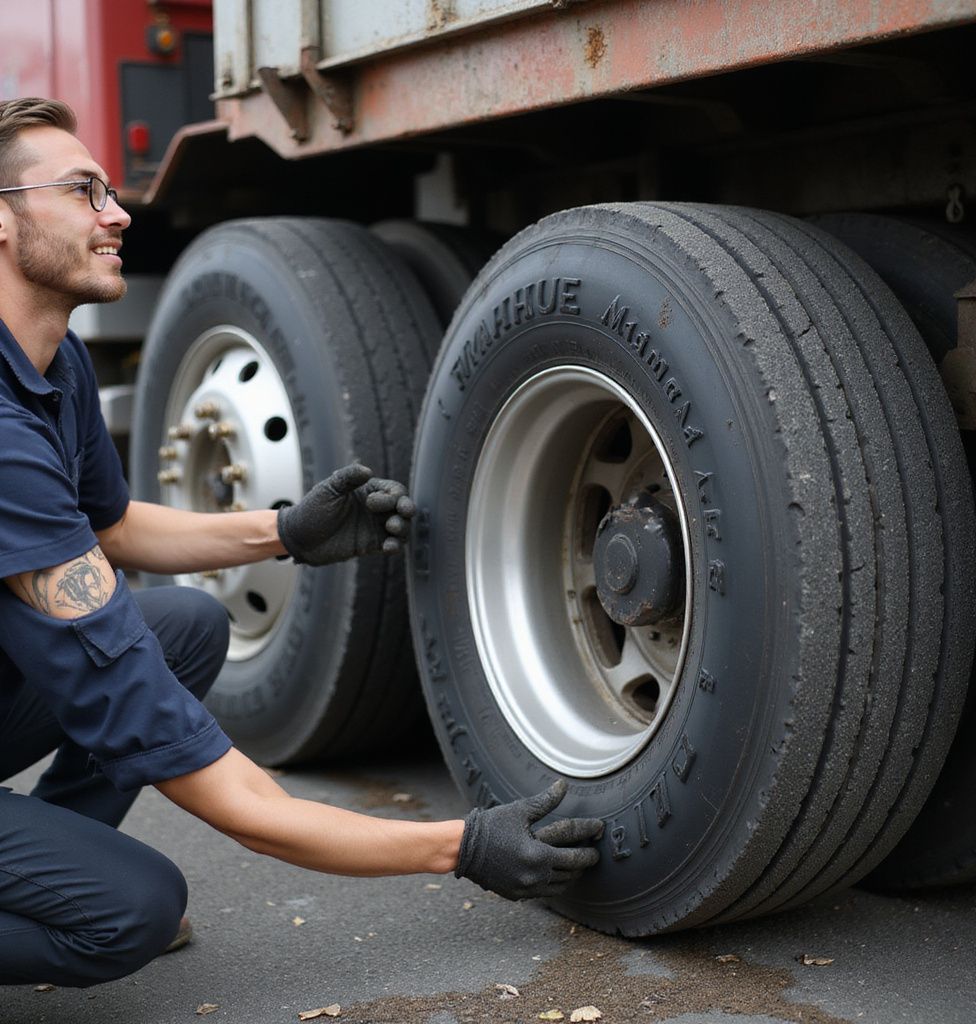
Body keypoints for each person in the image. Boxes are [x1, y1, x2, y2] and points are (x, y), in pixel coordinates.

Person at [0, 98, 604, 989]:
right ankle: (69, 889)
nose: (119, 212)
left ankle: (56, 862)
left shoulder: (55, 360)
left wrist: (283, 532)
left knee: (187, 626)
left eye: (112, 190)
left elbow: (109, 526)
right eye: (85, 189)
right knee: (133, 909)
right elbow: (239, 805)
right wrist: (457, 846)